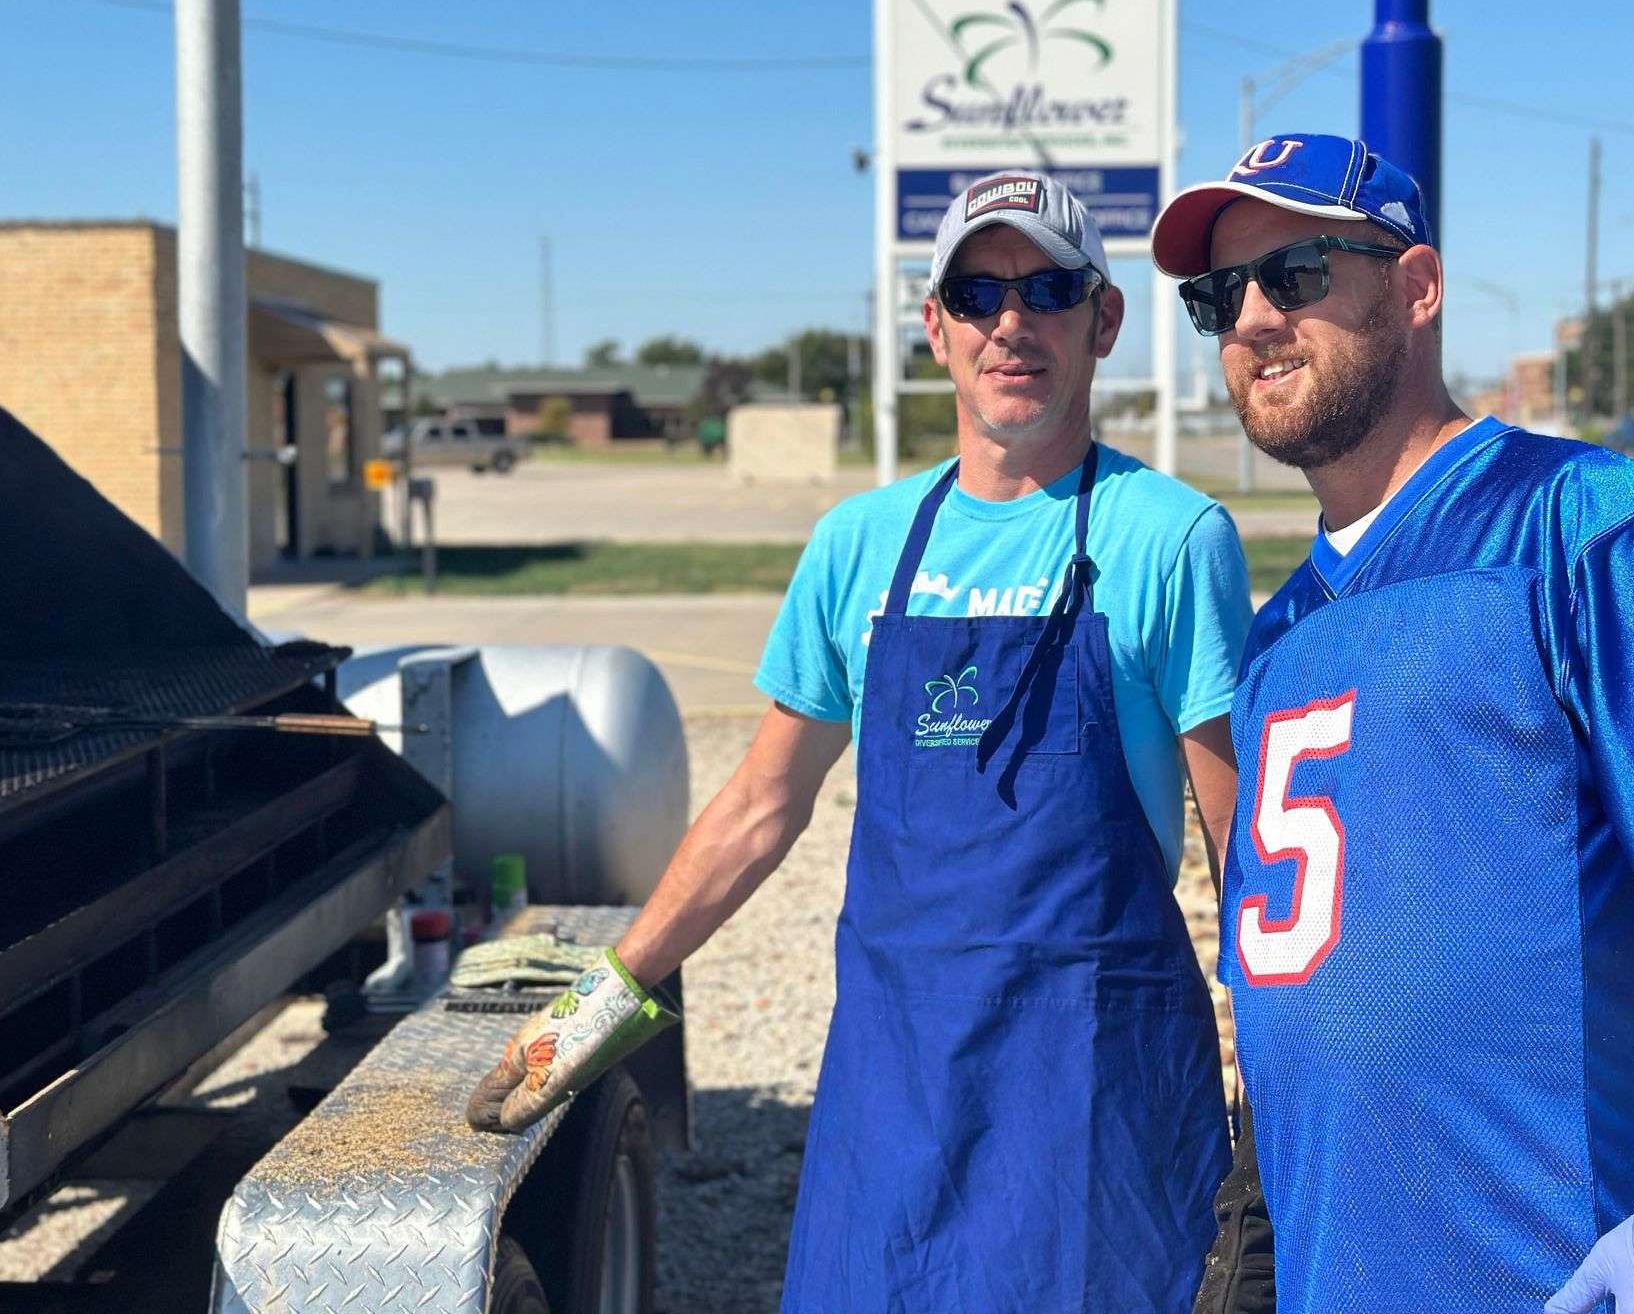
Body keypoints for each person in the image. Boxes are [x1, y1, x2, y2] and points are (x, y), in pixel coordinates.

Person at [471, 170, 1254, 1311]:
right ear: (933, 327)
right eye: (977, 293)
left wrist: (1286, 1110)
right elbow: (760, 805)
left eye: (1045, 287)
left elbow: (1247, 855)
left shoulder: (1171, 541)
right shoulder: (857, 547)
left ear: (1103, 321)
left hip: (1094, 1098)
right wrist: (602, 1005)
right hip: (895, 1093)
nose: (1010, 322)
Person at [1150, 134, 1634, 1314]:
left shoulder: (1586, 525)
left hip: (1556, 1264)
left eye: (1298, 273)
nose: (1253, 319)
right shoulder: (1275, 638)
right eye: (1219, 295)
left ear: (1414, 288)